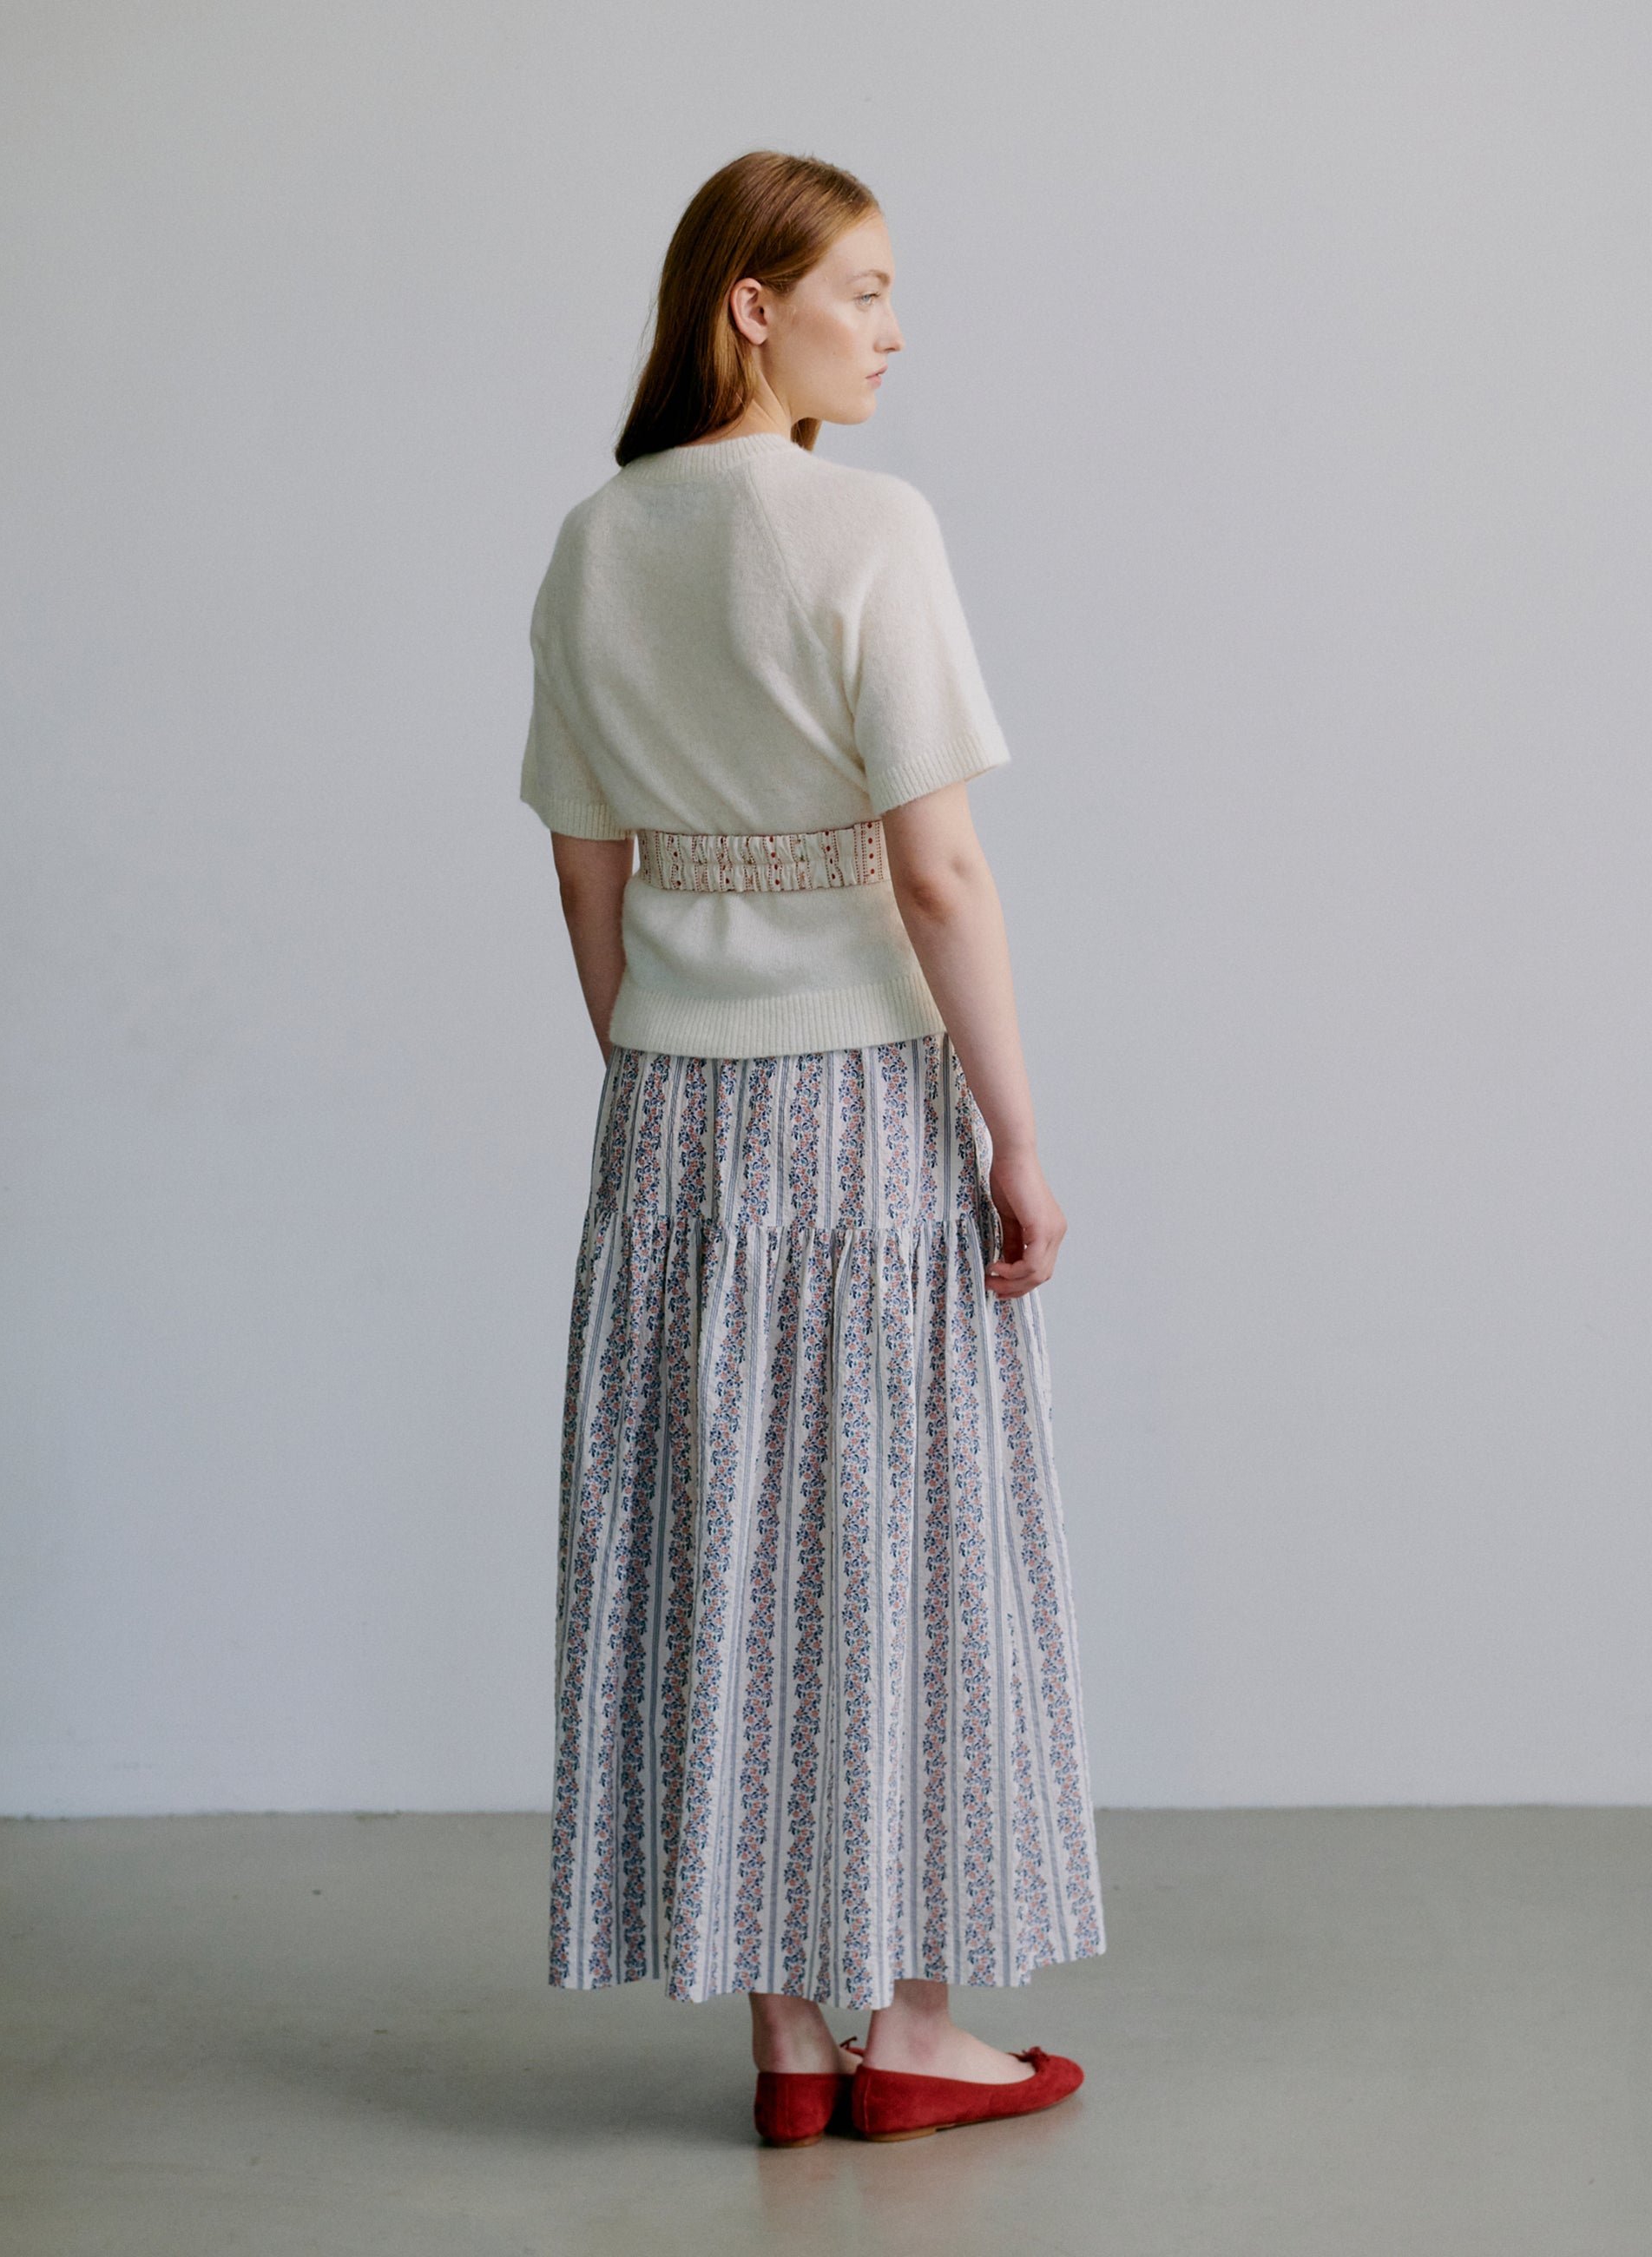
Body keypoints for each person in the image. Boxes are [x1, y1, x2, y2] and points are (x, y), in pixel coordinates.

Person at [519, 149, 1103, 2147]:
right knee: (898, 1535)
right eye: (862, 284)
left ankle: (785, 2039)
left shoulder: (594, 543)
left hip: (666, 1112)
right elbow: (937, 869)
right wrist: (1013, 1133)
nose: (893, 323)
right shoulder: (866, 524)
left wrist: (664, 1056)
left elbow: (587, 885)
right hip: (860, 1085)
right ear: (749, 305)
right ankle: (916, 2031)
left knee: (722, 1541)